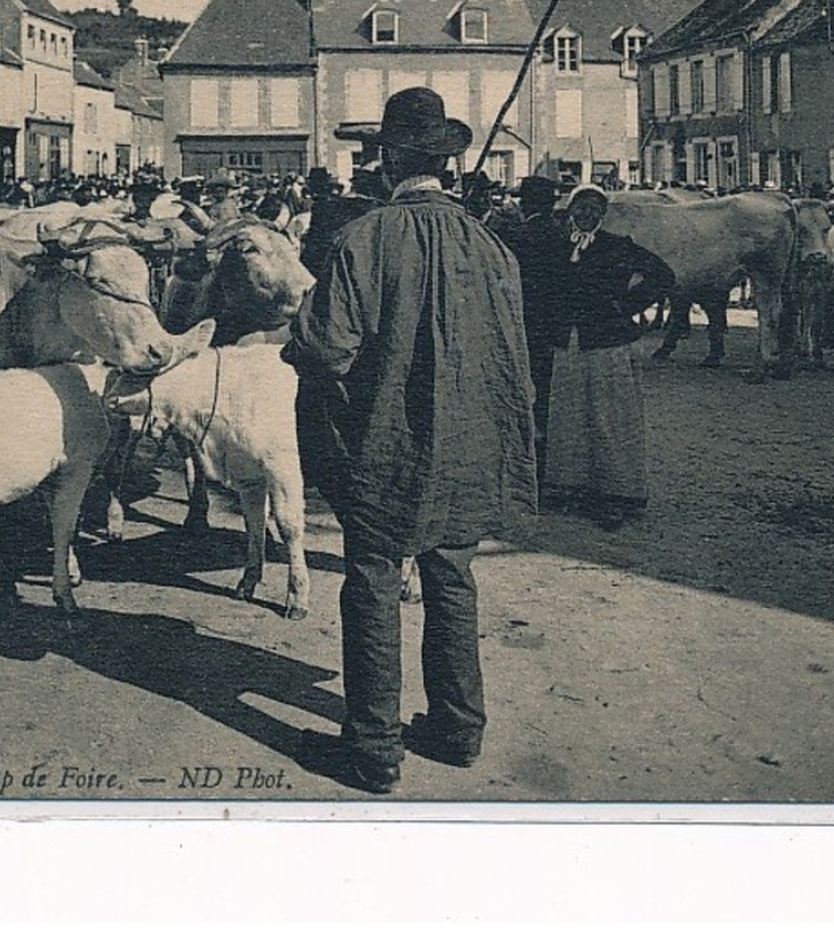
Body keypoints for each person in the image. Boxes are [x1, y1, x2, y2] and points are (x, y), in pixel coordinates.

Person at [282, 87, 537, 794]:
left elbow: (323, 348)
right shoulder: (490, 246)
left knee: (370, 584)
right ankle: (457, 729)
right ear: (447, 163)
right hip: (468, 446)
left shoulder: (363, 239)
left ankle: (372, 747)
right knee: (450, 577)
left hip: (385, 447)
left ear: (389, 159)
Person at [541, 185, 674, 529]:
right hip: (567, 345)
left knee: (608, 418)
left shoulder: (618, 246)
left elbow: (663, 276)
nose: (585, 214)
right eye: (579, 207)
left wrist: (625, 307)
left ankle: (618, 494)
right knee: (569, 416)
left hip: (607, 344)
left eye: (592, 208)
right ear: (570, 211)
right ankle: (573, 487)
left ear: (603, 214)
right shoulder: (557, 247)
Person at [508, 175, 570, 473]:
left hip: (526, 324)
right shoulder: (563, 234)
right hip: (556, 326)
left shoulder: (520, 235)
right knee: (549, 393)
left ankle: (530, 463)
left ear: (525, 203)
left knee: (527, 393)